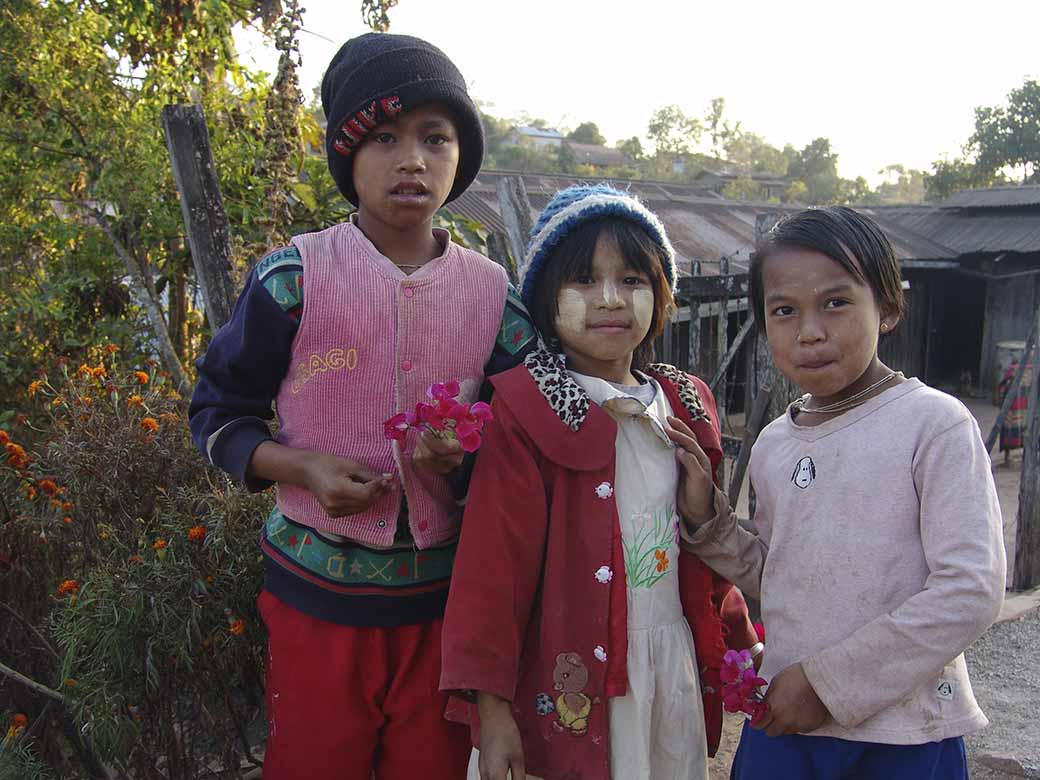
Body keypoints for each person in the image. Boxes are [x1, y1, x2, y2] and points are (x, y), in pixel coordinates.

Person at [188, 33, 535, 780]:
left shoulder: (493, 297)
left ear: (459, 158)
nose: (411, 158)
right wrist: (300, 465)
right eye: (383, 136)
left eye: (434, 138)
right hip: (315, 603)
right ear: (347, 155)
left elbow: (527, 436)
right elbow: (216, 414)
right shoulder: (293, 279)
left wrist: (463, 455)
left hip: (443, 611)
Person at [670, 206, 1006, 780]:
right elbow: (780, 574)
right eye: (784, 311)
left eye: (836, 302)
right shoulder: (777, 442)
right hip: (789, 729)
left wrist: (828, 684)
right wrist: (709, 521)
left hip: (901, 734)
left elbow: (970, 590)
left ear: (889, 307)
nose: (810, 331)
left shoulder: (933, 424)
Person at [439, 184, 759, 780]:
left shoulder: (687, 406)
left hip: (671, 670)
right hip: (571, 675)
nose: (609, 299)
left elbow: (709, 568)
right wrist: (492, 709)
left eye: (634, 279)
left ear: (662, 295)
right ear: (544, 299)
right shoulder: (526, 409)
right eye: (583, 280)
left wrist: (739, 640)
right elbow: (492, 571)